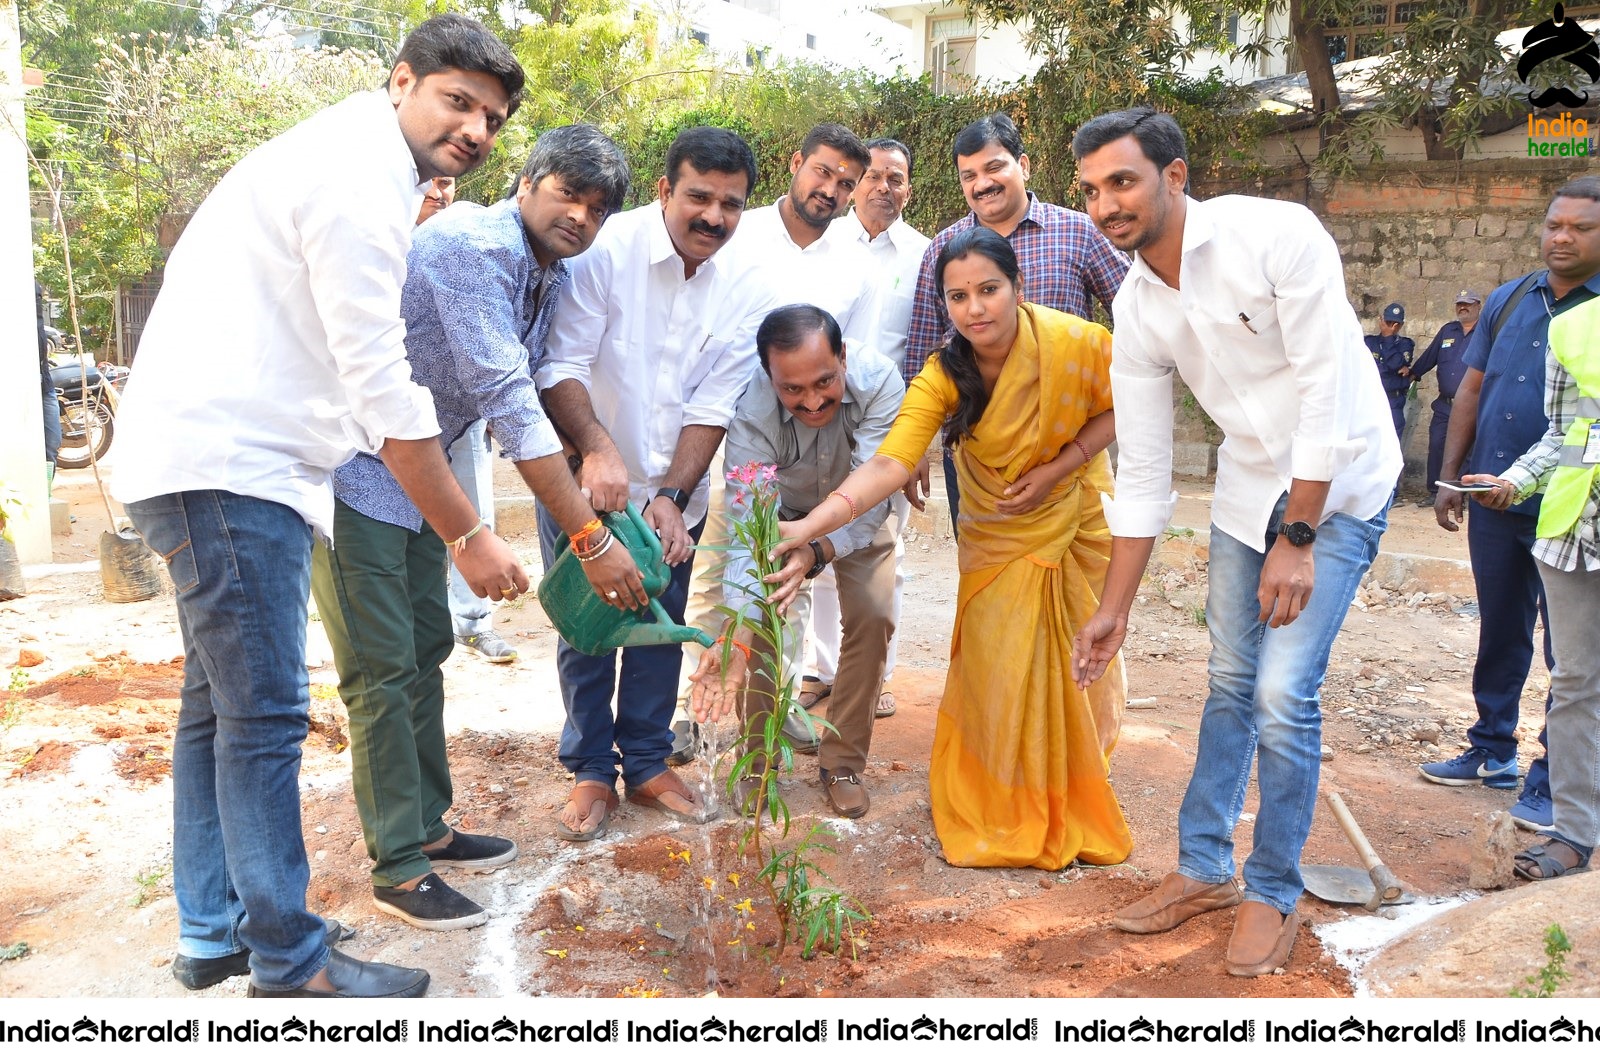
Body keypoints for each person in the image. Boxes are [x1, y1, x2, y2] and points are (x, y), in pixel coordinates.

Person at [113, 14, 528, 999]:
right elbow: (379, 382)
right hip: (229, 467)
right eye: (457, 101)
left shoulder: (347, 157)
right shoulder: (356, 181)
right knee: (263, 718)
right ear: (402, 82)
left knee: (215, 713)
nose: (474, 128)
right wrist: (466, 531)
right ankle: (291, 960)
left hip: (202, 460)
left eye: (492, 117)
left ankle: (216, 931)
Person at [1070, 107, 1399, 978]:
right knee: (1227, 679)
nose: (1107, 204)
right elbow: (1141, 474)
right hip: (1247, 488)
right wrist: (1112, 611)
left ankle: (1273, 889)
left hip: (1342, 482)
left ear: (1174, 177)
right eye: (1093, 190)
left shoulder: (1277, 235)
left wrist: (1300, 533)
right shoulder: (1137, 306)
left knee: (1284, 693)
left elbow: (1326, 388)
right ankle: (1203, 870)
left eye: (1123, 181)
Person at [311, 125, 641, 931]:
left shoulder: (544, 273)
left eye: (597, 209)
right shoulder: (471, 246)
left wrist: (596, 467)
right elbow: (508, 397)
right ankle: (397, 868)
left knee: (426, 649)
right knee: (381, 671)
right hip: (355, 473)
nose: (580, 217)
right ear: (528, 181)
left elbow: (527, 389)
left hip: (419, 480)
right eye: (569, 193)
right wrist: (589, 544)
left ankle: (426, 826)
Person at [762, 227, 1130, 869]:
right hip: (996, 532)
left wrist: (1058, 465)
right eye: (958, 297)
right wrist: (811, 525)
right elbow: (890, 463)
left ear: (1017, 287)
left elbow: (1126, 399)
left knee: (1079, 661)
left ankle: (1073, 785)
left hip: (1077, 521)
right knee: (998, 663)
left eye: (989, 290)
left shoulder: (1080, 343)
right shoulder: (942, 375)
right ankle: (1003, 793)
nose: (975, 308)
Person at [536, 127, 778, 841]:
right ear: (664, 189)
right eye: (698, 197)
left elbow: (713, 404)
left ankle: (644, 762)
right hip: (584, 478)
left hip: (675, 494)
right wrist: (597, 451)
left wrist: (671, 496)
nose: (713, 217)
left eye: (730, 204)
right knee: (587, 626)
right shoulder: (605, 252)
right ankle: (588, 768)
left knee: (659, 626)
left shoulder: (747, 281)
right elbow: (563, 365)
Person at [674, 123, 878, 758]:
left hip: (817, 440)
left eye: (846, 183)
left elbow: (859, 362)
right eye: (822, 172)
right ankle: (698, 702)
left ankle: (777, 697)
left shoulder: (857, 263)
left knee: (793, 576)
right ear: (797, 163)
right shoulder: (737, 231)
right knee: (725, 565)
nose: (831, 190)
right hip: (737, 427)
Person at [1422, 177, 1600, 831]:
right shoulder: (1511, 298)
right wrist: (1449, 476)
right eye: (1556, 224)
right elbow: (1470, 390)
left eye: (1580, 228)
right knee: (1500, 627)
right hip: (1496, 498)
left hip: (1578, 511)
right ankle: (1491, 748)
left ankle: (1556, 781)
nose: (1562, 236)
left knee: (1574, 656)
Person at [688, 305, 903, 819]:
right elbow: (748, 527)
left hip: (859, 516)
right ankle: (758, 762)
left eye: (825, 382)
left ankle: (843, 763)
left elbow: (872, 487)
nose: (813, 401)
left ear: (844, 357)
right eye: (793, 390)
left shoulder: (882, 382)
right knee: (759, 623)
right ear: (769, 377)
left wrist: (820, 548)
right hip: (777, 519)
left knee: (873, 616)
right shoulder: (751, 408)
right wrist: (738, 627)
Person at [904, 112, 1127, 532]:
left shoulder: (1078, 232)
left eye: (993, 167)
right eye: (968, 175)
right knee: (989, 573)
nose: (981, 183)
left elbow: (1137, 316)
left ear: (1022, 166)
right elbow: (921, 348)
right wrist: (915, 446)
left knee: (1079, 578)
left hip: (1070, 447)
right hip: (977, 448)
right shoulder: (942, 250)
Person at [1465, 291, 1600, 882]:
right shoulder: (1575, 329)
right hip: (1576, 530)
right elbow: (1563, 435)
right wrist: (1515, 481)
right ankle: (1574, 831)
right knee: (1576, 682)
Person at [805, 137, 931, 722]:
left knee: (884, 554)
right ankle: (822, 671)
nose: (884, 186)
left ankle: (874, 675)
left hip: (895, 427)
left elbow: (929, 347)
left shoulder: (926, 255)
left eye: (896, 178)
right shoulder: (823, 244)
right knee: (818, 549)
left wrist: (922, 435)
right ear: (856, 184)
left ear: (909, 187)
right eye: (874, 176)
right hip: (819, 417)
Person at [1408, 290, 1482, 507]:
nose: (1463, 307)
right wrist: (1411, 374)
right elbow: (1429, 357)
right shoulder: (1447, 331)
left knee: (1468, 450)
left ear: (1478, 305)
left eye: (1467, 304)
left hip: (1472, 405)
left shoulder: (1486, 332)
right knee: (1438, 444)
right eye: (1459, 304)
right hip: (1445, 404)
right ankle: (1435, 490)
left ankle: (1462, 493)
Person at [1365, 302, 1415, 438]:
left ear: (1401, 325)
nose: (1392, 327)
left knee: (1390, 445)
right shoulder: (1369, 342)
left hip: (1393, 401)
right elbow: (1367, 368)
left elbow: (1395, 363)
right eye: (1388, 322)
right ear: (1381, 320)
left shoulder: (1405, 344)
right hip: (1370, 400)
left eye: (1396, 324)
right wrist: (1389, 369)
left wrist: (1388, 338)